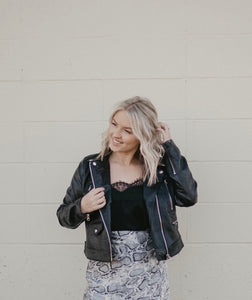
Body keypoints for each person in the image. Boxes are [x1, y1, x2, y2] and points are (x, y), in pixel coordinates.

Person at [56, 96, 198, 299]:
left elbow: (189, 196)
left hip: (149, 275)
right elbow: (63, 216)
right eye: (114, 124)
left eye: (127, 131)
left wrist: (169, 148)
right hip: (104, 274)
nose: (116, 134)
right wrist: (82, 206)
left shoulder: (157, 171)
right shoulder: (91, 167)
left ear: (142, 135)